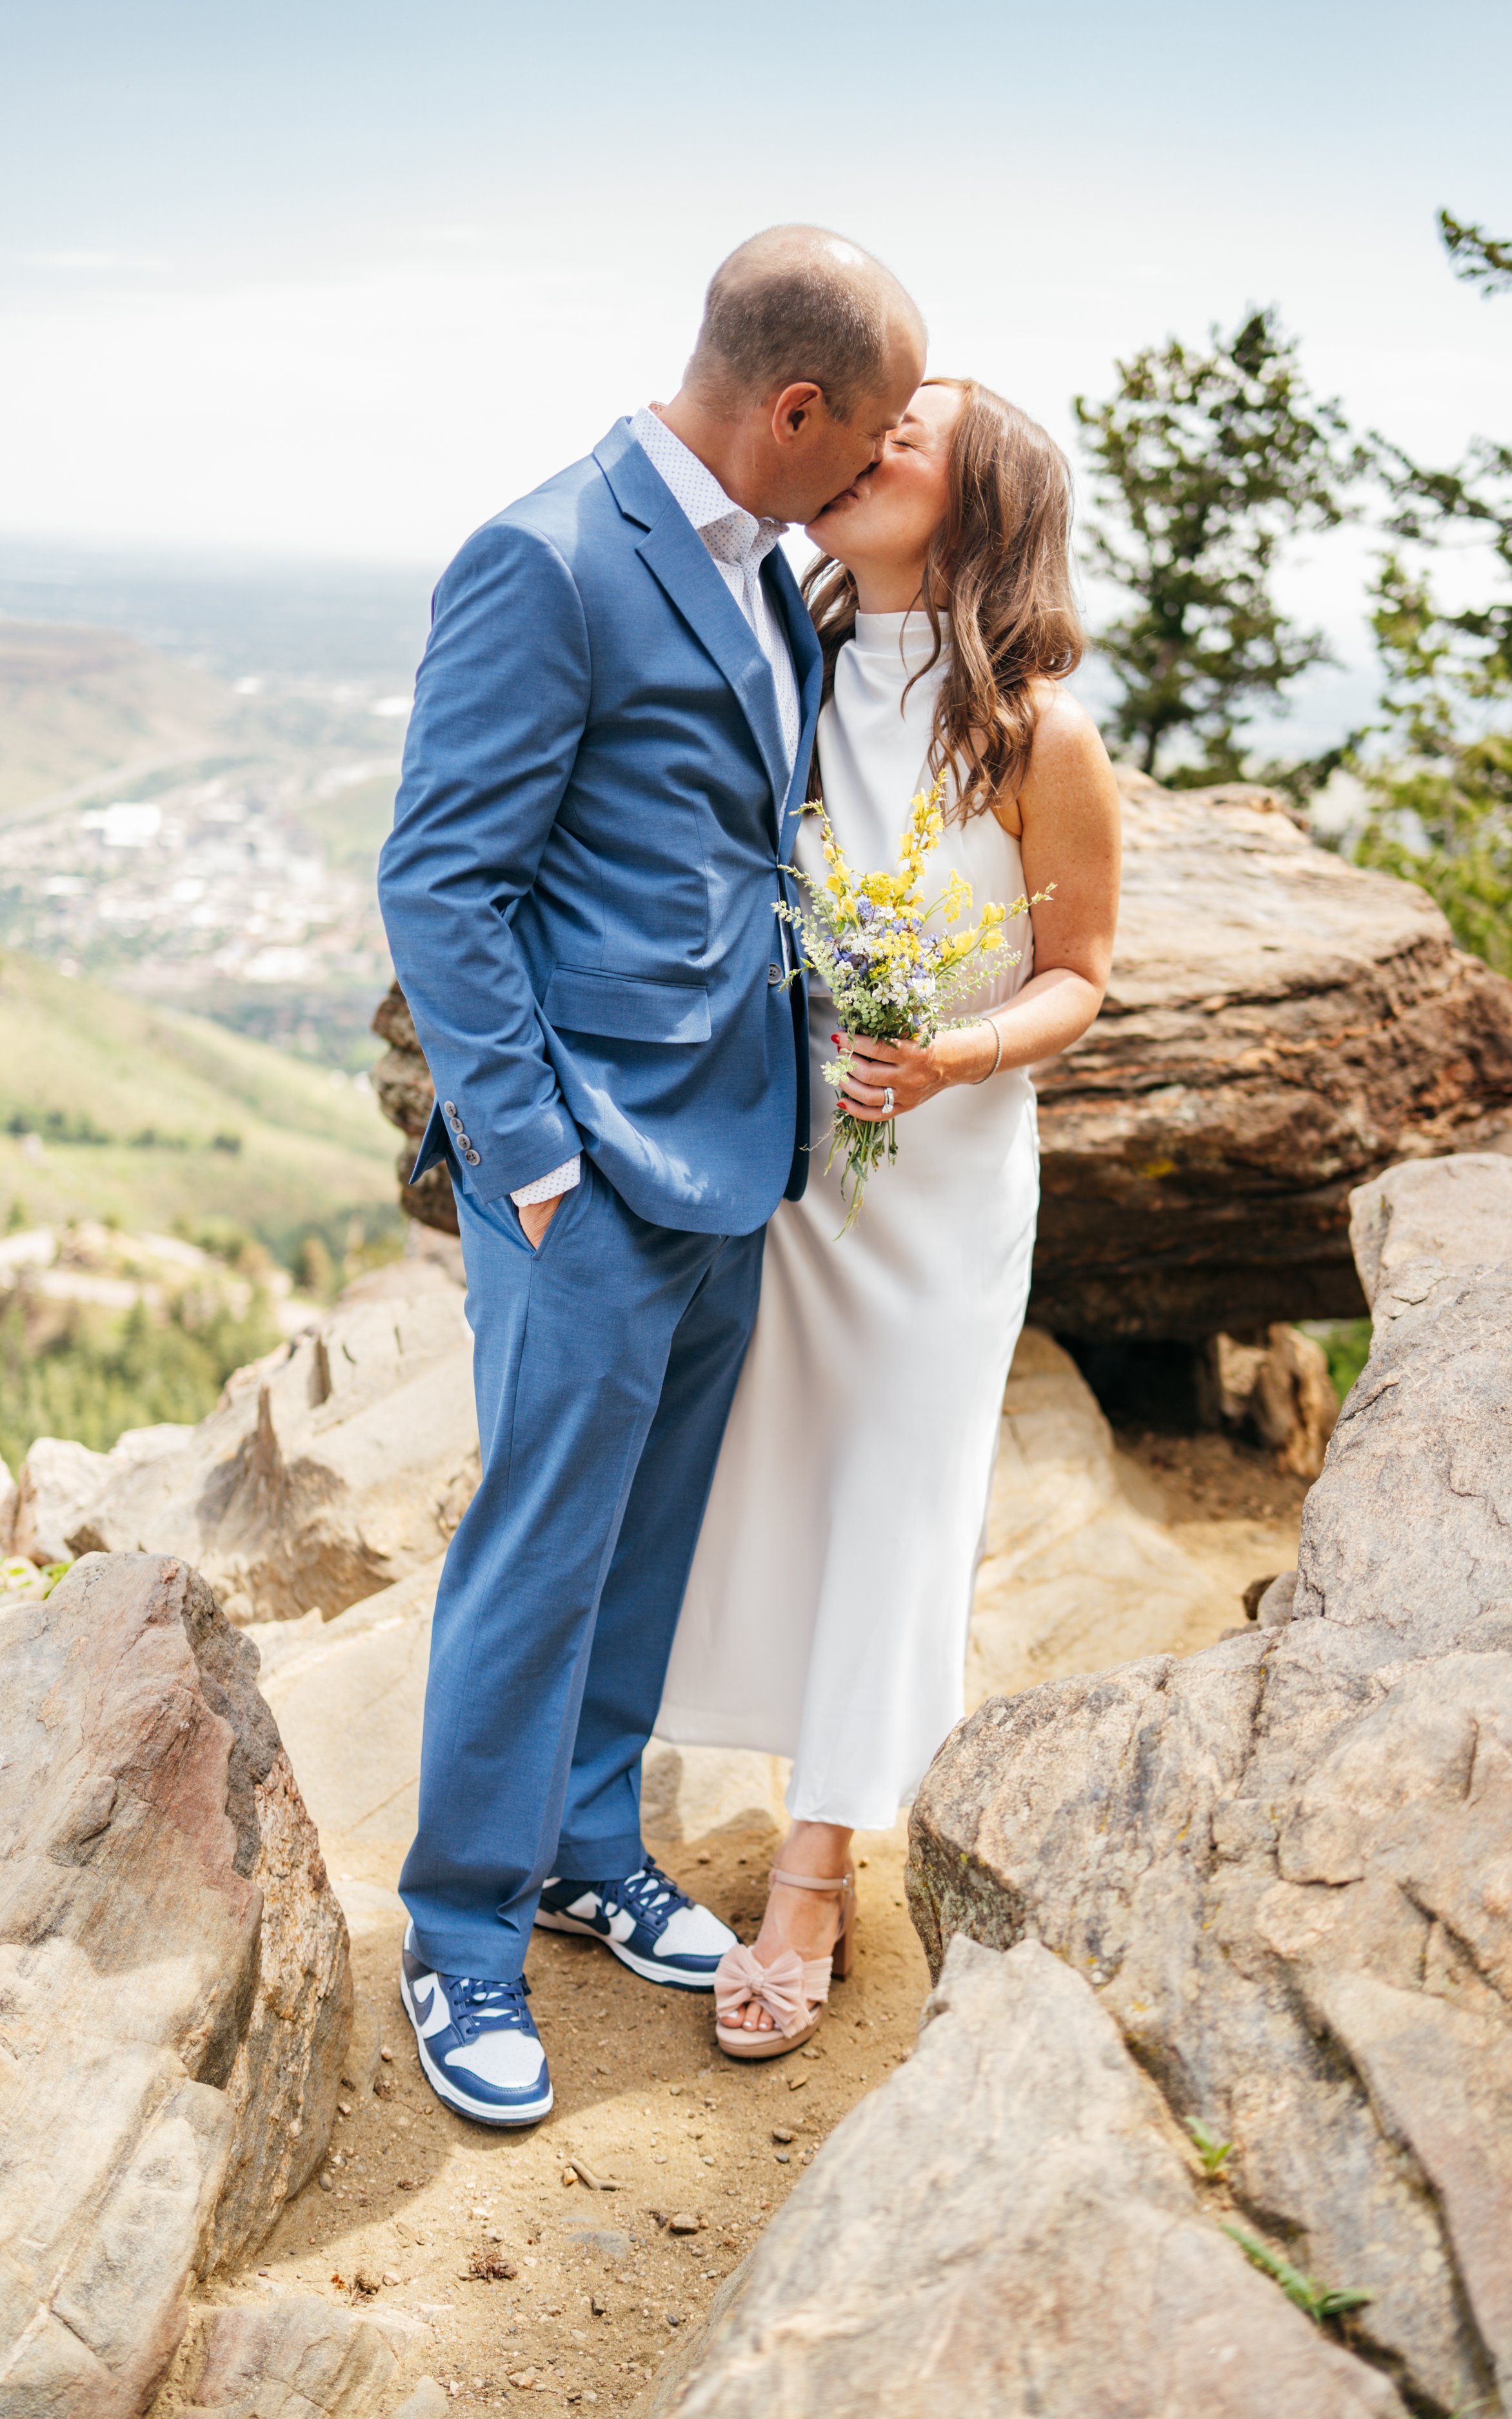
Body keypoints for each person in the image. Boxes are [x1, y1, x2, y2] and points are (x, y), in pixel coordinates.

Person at [377, 227, 926, 2125]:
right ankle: (457, 1937)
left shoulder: (762, 562)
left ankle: (583, 1851)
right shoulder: (545, 557)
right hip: (586, 1172)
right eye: (856, 442)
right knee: (536, 1551)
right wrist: (528, 1166)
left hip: (733, 1152)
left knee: (644, 1542)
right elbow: (442, 882)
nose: (867, 477)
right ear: (790, 408)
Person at [659, 377, 1123, 2057]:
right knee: (759, 1479)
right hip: (781, 1169)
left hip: (936, 1191)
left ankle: (810, 1872)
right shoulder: (778, 665)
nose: (854, 452)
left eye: (897, 442)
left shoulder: (1035, 737)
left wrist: (946, 1057)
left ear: (975, 505)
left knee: (894, 1503)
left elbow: (1077, 978)